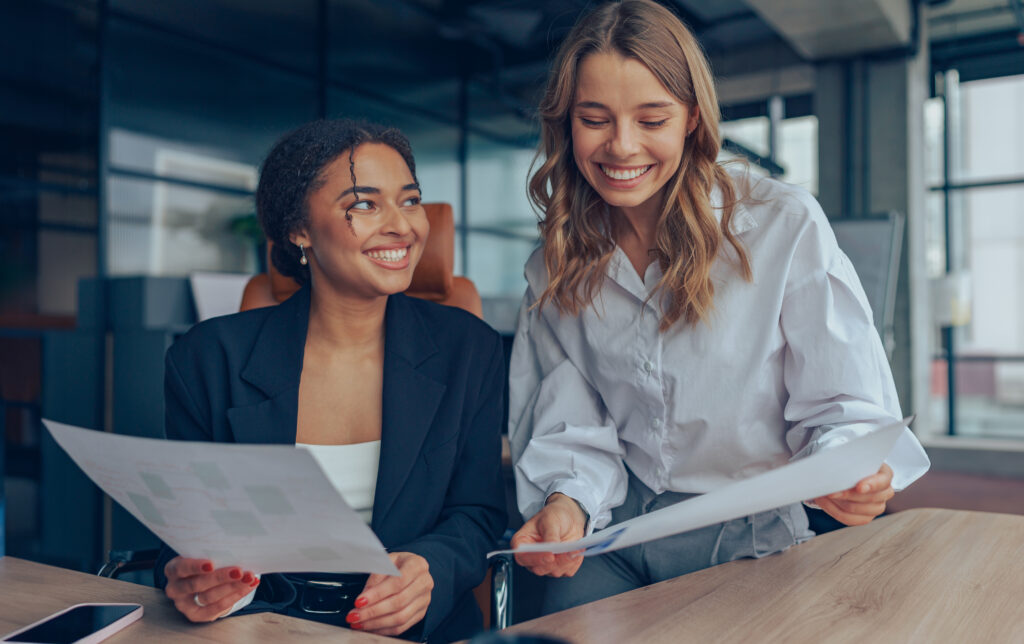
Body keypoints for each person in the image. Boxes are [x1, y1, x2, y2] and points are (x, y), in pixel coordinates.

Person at [508, 0, 929, 614]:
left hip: (747, 535)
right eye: (594, 119)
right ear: (565, 124)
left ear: (692, 119)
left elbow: (844, 405)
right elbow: (572, 423)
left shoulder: (780, 223)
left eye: (652, 119)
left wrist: (846, 471)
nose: (621, 147)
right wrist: (565, 504)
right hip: (611, 536)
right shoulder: (557, 258)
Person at [153, 119, 507, 642]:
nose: (402, 225)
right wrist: (194, 579)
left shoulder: (468, 349)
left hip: (410, 633)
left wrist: (430, 567)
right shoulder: (208, 357)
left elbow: (477, 512)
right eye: (365, 204)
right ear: (298, 229)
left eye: (410, 201)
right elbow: (185, 530)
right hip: (259, 626)